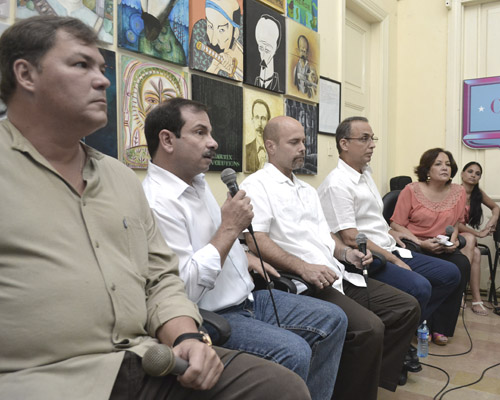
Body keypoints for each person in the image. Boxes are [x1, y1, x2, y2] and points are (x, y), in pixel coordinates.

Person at [0, 15, 310, 400]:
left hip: (143, 356)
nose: (103, 80)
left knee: (280, 387)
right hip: (42, 378)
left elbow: (161, 279)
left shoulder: (118, 178)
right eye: (81, 65)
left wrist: (186, 335)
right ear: (26, 75)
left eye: (101, 67)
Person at [142, 98, 347, 400]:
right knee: (294, 351)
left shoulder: (197, 184)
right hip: (213, 315)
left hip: (250, 299)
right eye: (200, 133)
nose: (213, 142)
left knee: (334, 319)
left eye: (210, 132)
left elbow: (211, 243)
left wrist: (245, 255)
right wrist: (229, 229)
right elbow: (181, 290)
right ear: (167, 140)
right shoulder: (156, 203)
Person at [240, 116, 421, 399]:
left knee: (405, 306)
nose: (303, 148)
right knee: (369, 329)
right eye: (294, 142)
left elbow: (327, 238)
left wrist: (348, 253)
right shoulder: (256, 186)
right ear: (271, 147)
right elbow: (256, 240)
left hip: (336, 273)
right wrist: (304, 268)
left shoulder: (306, 190)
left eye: (304, 141)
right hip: (305, 282)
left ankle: (363, 380)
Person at [317, 117, 460, 358]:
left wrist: (392, 232)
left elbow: (373, 221)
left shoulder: (365, 174)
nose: (372, 144)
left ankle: (404, 332)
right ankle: (399, 348)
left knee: (451, 274)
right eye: (364, 139)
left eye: (373, 138)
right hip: (371, 257)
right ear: (344, 143)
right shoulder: (337, 184)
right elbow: (351, 237)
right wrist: (394, 261)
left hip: (389, 245)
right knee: (420, 286)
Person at [390, 148, 471, 346]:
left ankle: (441, 327)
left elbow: (458, 223)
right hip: (414, 242)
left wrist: (452, 239)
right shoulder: (411, 190)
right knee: (421, 263)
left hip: (441, 244)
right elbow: (396, 224)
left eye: (448, 164)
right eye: (438, 164)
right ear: (427, 169)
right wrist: (420, 242)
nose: (445, 167)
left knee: (462, 264)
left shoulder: (459, 192)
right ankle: (420, 321)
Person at [458, 161, 500, 316]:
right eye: (470, 171)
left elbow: (496, 208)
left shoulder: (477, 194)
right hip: (451, 233)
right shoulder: (454, 192)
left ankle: (475, 299)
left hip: (465, 237)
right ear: (462, 174)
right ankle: (460, 294)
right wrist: (478, 234)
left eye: (477, 173)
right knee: (470, 240)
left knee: (475, 253)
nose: (473, 175)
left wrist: (490, 223)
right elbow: (454, 223)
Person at [253, 14, 281, 91]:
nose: (263, 55)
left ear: (275, 50)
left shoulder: (278, 85)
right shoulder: (256, 82)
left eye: (267, 50)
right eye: (261, 48)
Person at [245, 99, 270, 172]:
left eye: (263, 118)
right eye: (256, 117)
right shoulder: (246, 150)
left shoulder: (276, 152)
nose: (259, 123)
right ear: (252, 120)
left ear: (268, 121)